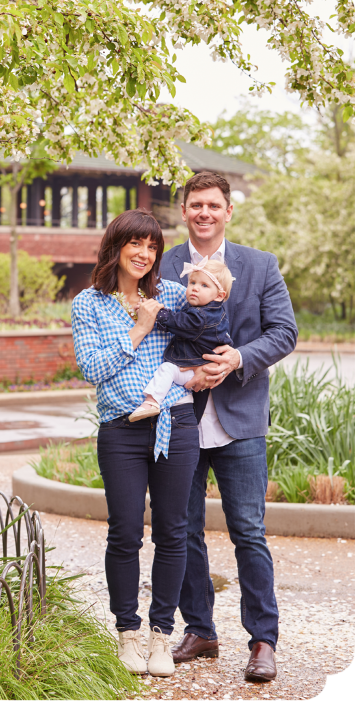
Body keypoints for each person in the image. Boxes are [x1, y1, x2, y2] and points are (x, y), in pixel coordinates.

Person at [160, 171, 298, 682]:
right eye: (195, 204)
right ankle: (200, 631)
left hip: (241, 420)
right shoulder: (165, 266)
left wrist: (238, 357)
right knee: (183, 529)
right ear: (184, 211)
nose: (204, 213)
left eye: (213, 205)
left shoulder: (259, 266)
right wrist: (187, 372)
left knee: (249, 532)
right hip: (181, 417)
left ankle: (263, 641)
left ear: (228, 211)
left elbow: (284, 332)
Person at [71, 209, 200, 678]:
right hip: (121, 429)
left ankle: (161, 636)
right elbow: (92, 369)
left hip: (177, 424)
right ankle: (127, 633)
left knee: (173, 530)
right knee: (125, 531)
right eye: (135, 244)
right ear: (116, 246)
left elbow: (202, 335)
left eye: (152, 246)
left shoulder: (170, 295)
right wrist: (141, 328)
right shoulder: (89, 304)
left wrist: (209, 362)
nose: (144, 254)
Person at [129, 258, 234, 422]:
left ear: (220, 295)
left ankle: (152, 402)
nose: (195, 289)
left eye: (204, 285)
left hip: (196, 369)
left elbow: (178, 322)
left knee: (168, 369)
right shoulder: (212, 312)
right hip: (201, 364)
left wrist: (156, 312)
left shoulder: (201, 317)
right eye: (192, 282)